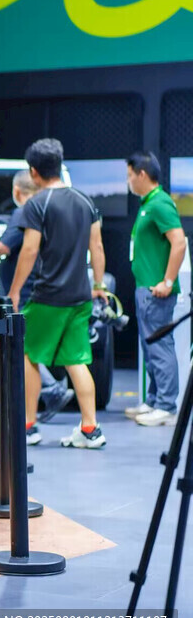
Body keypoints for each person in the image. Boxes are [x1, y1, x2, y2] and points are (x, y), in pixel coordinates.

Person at [9, 138, 108, 449]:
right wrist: (99, 286)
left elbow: (29, 249)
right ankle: (90, 429)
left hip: (48, 297)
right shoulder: (85, 201)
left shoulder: (37, 204)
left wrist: (14, 291)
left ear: (34, 172)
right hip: (80, 297)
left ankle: (28, 426)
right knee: (76, 360)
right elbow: (98, 248)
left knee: (27, 354)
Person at [0, 169, 74, 422]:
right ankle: (45, 398)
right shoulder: (51, 213)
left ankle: (41, 402)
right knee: (32, 348)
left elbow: (4, 246)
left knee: (23, 350)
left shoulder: (23, 212)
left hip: (22, 293)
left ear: (17, 191)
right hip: (46, 288)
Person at [124, 151, 186, 427]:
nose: (128, 181)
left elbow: (179, 242)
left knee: (160, 346)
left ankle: (167, 406)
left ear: (142, 174)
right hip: (145, 289)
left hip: (157, 291)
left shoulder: (160, 203)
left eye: (129, 175)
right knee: (150, 348)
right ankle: (153, 401)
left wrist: (168, 281)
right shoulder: (148, 203)